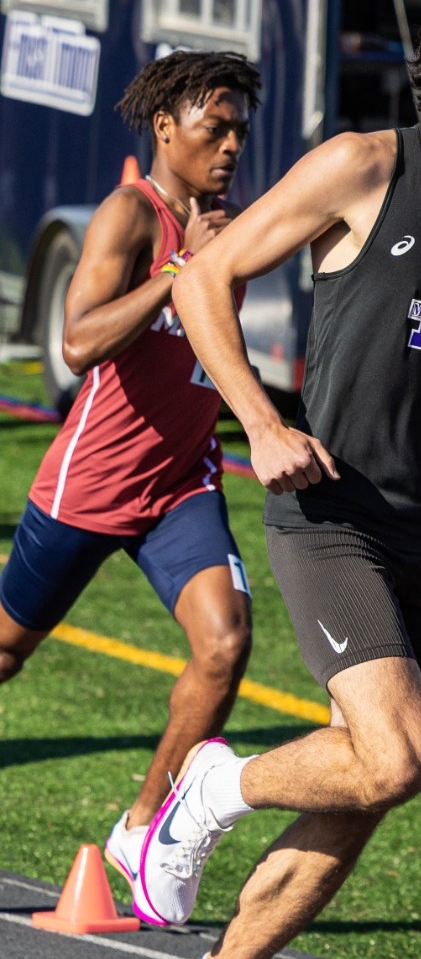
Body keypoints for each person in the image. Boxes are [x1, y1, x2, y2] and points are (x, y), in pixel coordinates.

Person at [149, 0, 421, 954]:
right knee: (398, 752)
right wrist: (257, 418)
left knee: (371, 782)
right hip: (331, 507)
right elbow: (204, 281)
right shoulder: (362, 167)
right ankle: (217, 785)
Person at [0, 52, 259, 916]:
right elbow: (77, 344)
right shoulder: (128, 214)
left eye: (239, 132)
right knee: (6, 653)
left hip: (183, 480)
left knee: (224, 644)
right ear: (164, 127)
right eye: (213, 128)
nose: (230, 146)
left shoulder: (235, 225)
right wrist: (182, 273)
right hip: (92, 481)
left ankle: (143, 826)